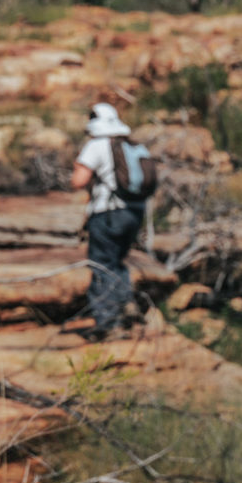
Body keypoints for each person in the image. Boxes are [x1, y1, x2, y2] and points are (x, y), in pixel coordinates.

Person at [71, 103, 145, 340]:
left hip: (108, 212)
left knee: (102, 264)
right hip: (134, 211)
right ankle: (126, 307)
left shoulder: (97, 145)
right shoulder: (133, 144)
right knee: (117, 261)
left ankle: (107, 323)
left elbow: (78, 180)